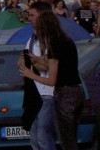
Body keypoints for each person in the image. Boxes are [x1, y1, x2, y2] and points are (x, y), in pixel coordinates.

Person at [20, 11, 85, 150]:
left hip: (65, 93)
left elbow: (51, 80)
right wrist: (36, 59)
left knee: (67, 141)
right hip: (78, 90)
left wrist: (31, 74)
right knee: (71, 137)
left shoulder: (54, 45)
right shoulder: (66, 40)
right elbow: (53, 62)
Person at [18, 1, 55, 150]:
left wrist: (33, 63)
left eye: (32, 15)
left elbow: (48, 66)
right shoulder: (32, 38)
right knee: (34, 137)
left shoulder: (51, 39)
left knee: (43, 137)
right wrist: (32, 61)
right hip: (33, 92)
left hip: (46, 93)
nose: (30, 19)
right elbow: (21, 60)